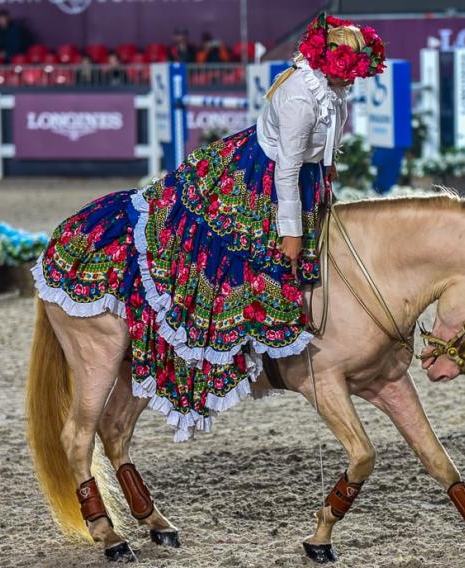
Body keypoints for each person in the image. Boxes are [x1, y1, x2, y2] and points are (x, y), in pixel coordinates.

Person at [33, 14, 386, 441]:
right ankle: (239, 338)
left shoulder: (334, 92)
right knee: (233, 253)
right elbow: (286, 170)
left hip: (300, 178)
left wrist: (326, 192)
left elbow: (323, 154)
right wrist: (291, 231)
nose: (355, 77)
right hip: (261, 177)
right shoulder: (299, 96)